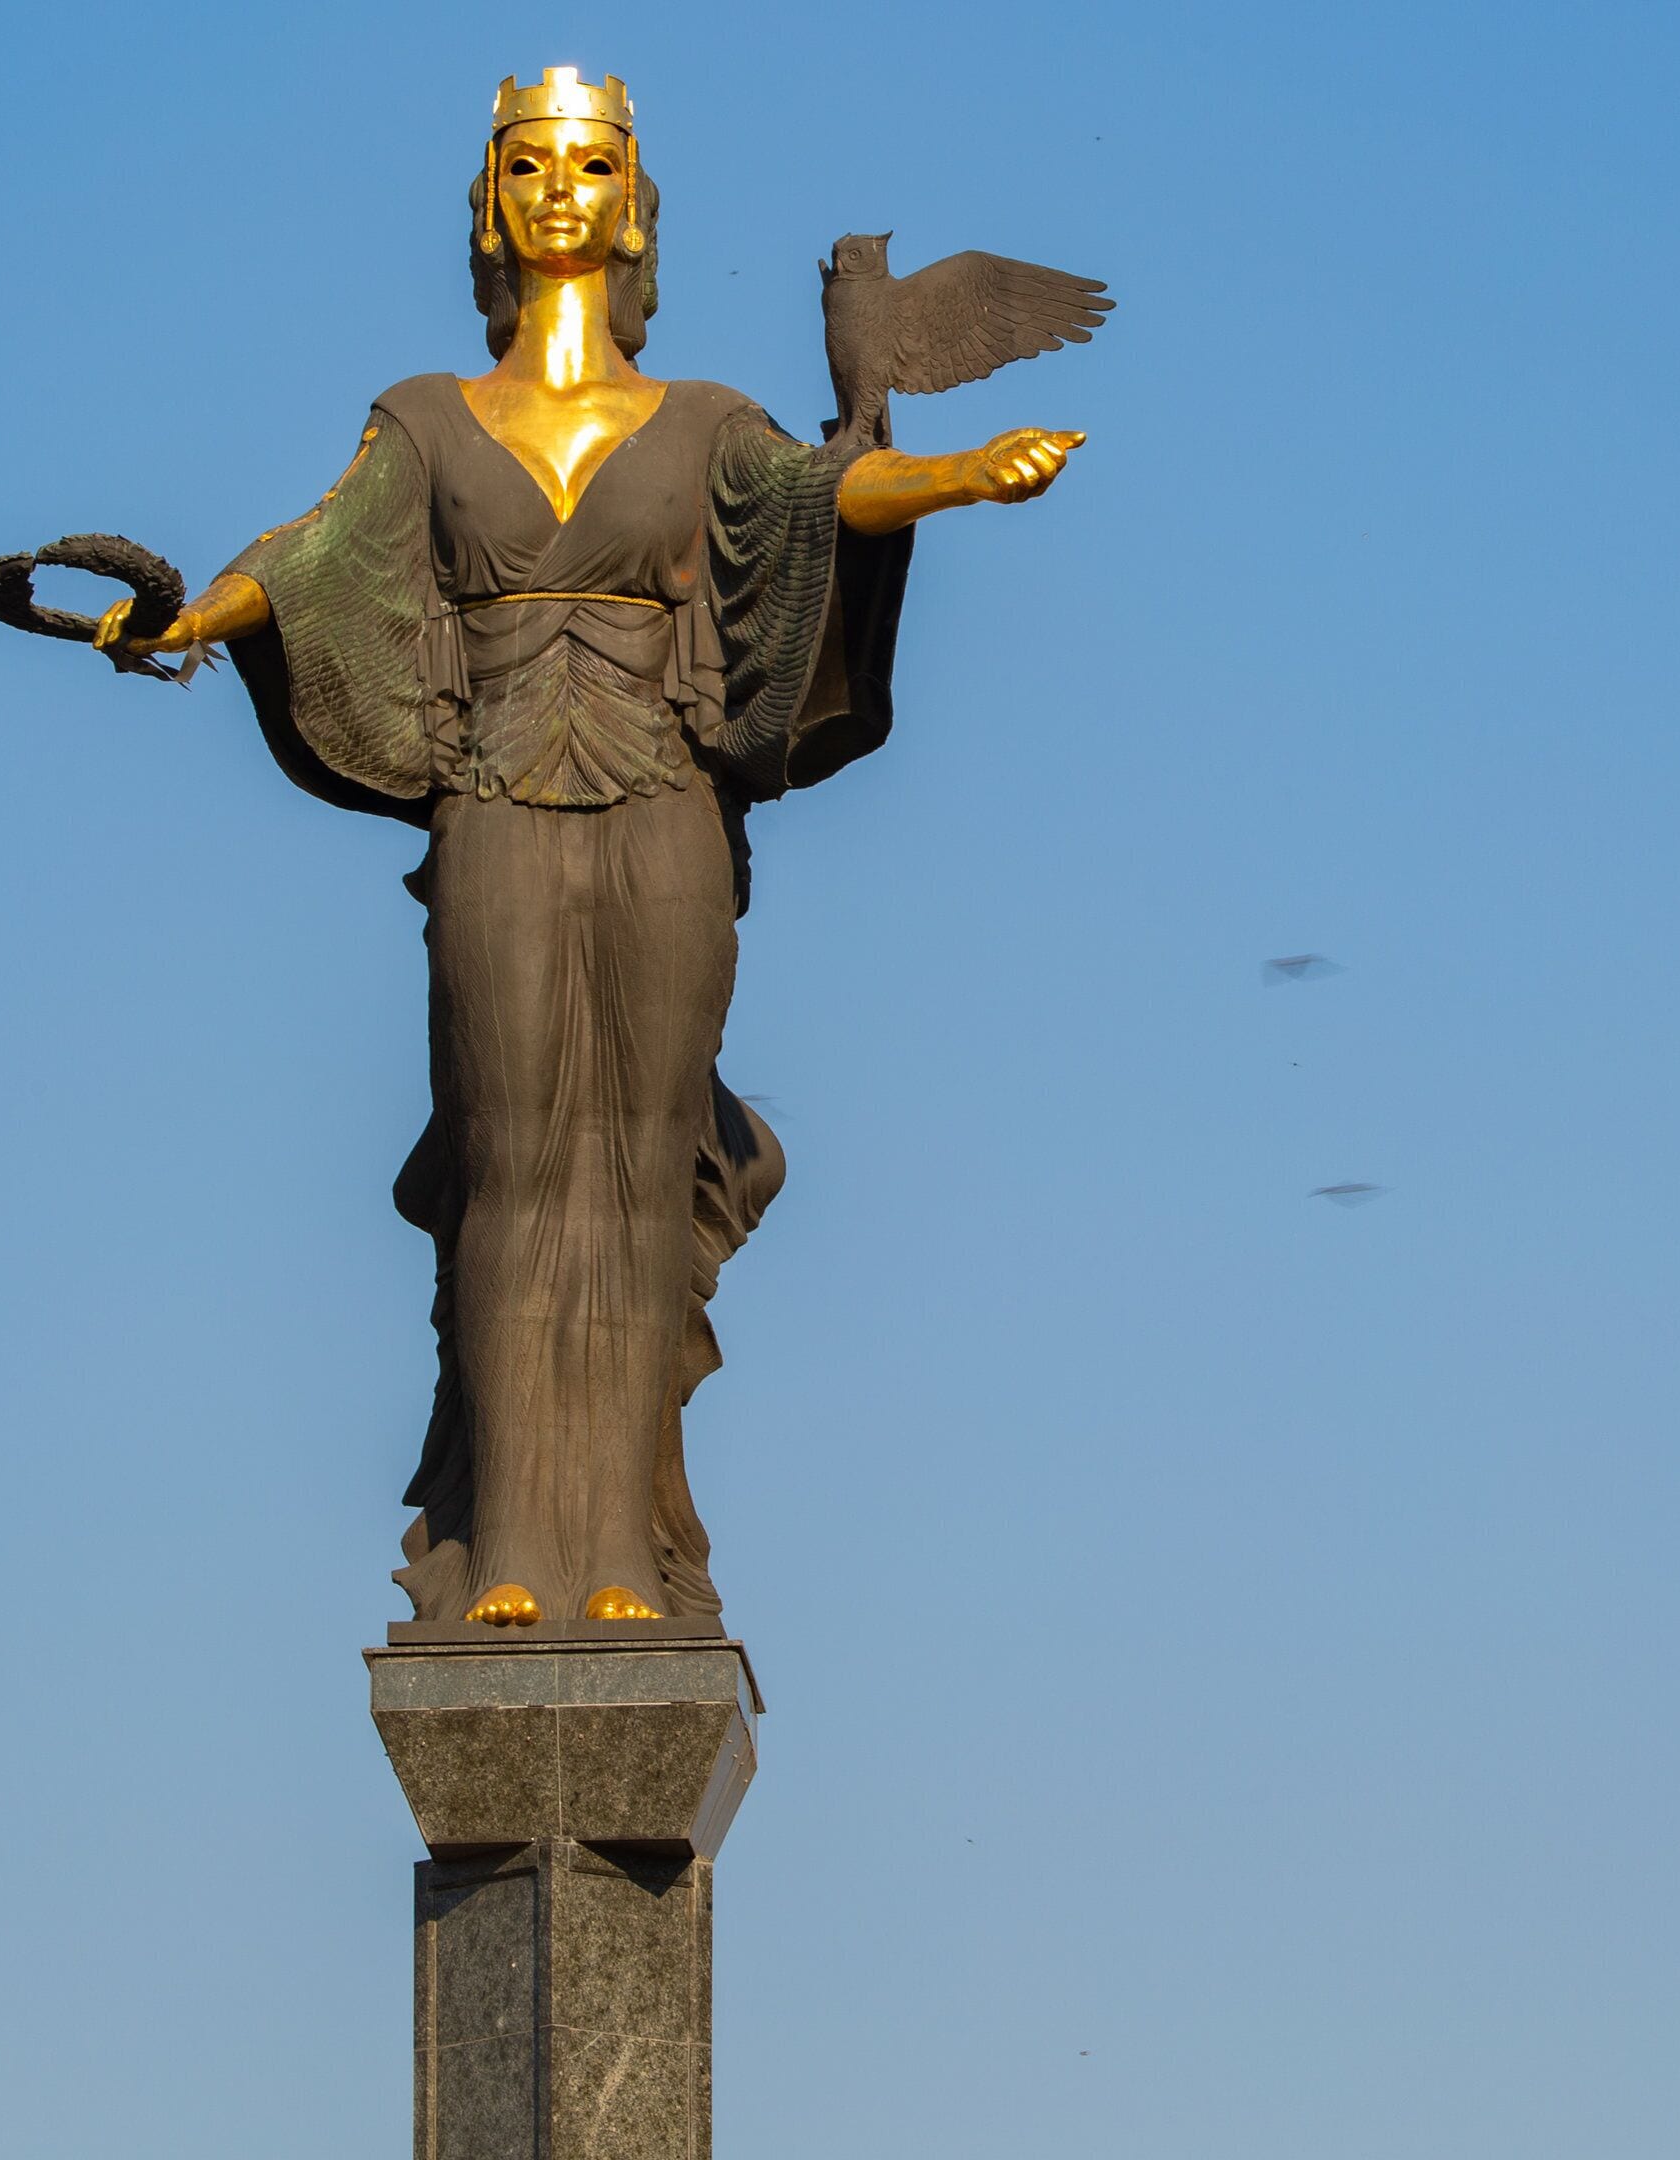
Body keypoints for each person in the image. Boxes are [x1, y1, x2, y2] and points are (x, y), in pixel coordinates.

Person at [96, 66, 1082, 1629]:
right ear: (494, 202)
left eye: (594, 163)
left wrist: (961, 473)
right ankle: (508, 1556)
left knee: (629, 1169)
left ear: (633, 206)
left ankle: (617, 1544)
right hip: (493, 797)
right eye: (533, 165)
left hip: (663, 805)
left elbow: (821, 496)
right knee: (511, 1168)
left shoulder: (701, 424)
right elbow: (312, 554)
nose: (564, 187)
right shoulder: (426, 422)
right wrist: (186, 618)